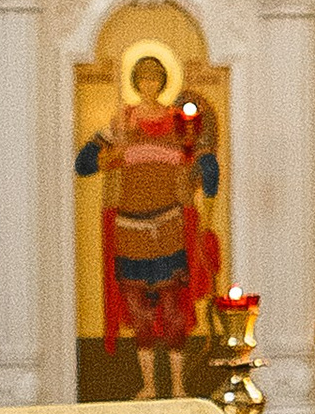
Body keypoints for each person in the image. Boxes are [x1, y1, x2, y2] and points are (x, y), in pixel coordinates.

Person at [71, 54, 220, 395]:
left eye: (155, 77)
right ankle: (149, 385)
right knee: (139, 311)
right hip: (130, 229)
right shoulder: (122, 121)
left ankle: (179, 385)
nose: (149, 83)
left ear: (163, 81)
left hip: (169, 226)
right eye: (143, 77)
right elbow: (83, 163)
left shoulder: (179, 121)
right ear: (135, 82)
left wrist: (204, 171)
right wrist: (111, 156)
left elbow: (201, 161)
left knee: (173, 307)